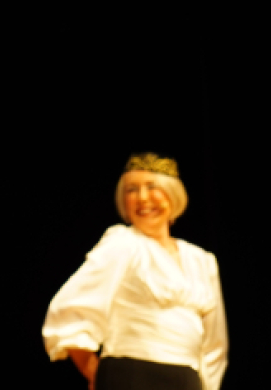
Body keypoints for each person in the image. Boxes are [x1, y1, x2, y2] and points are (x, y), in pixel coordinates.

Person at [42, 153, 228, 390]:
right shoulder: (123, 243)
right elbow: (70, 308)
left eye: (152, 187)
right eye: (131, 190)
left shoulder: (201, 260)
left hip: (186, 379)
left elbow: (214, 342)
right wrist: (94, 372)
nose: (142, 198)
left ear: (172, 194)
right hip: (131, 374)